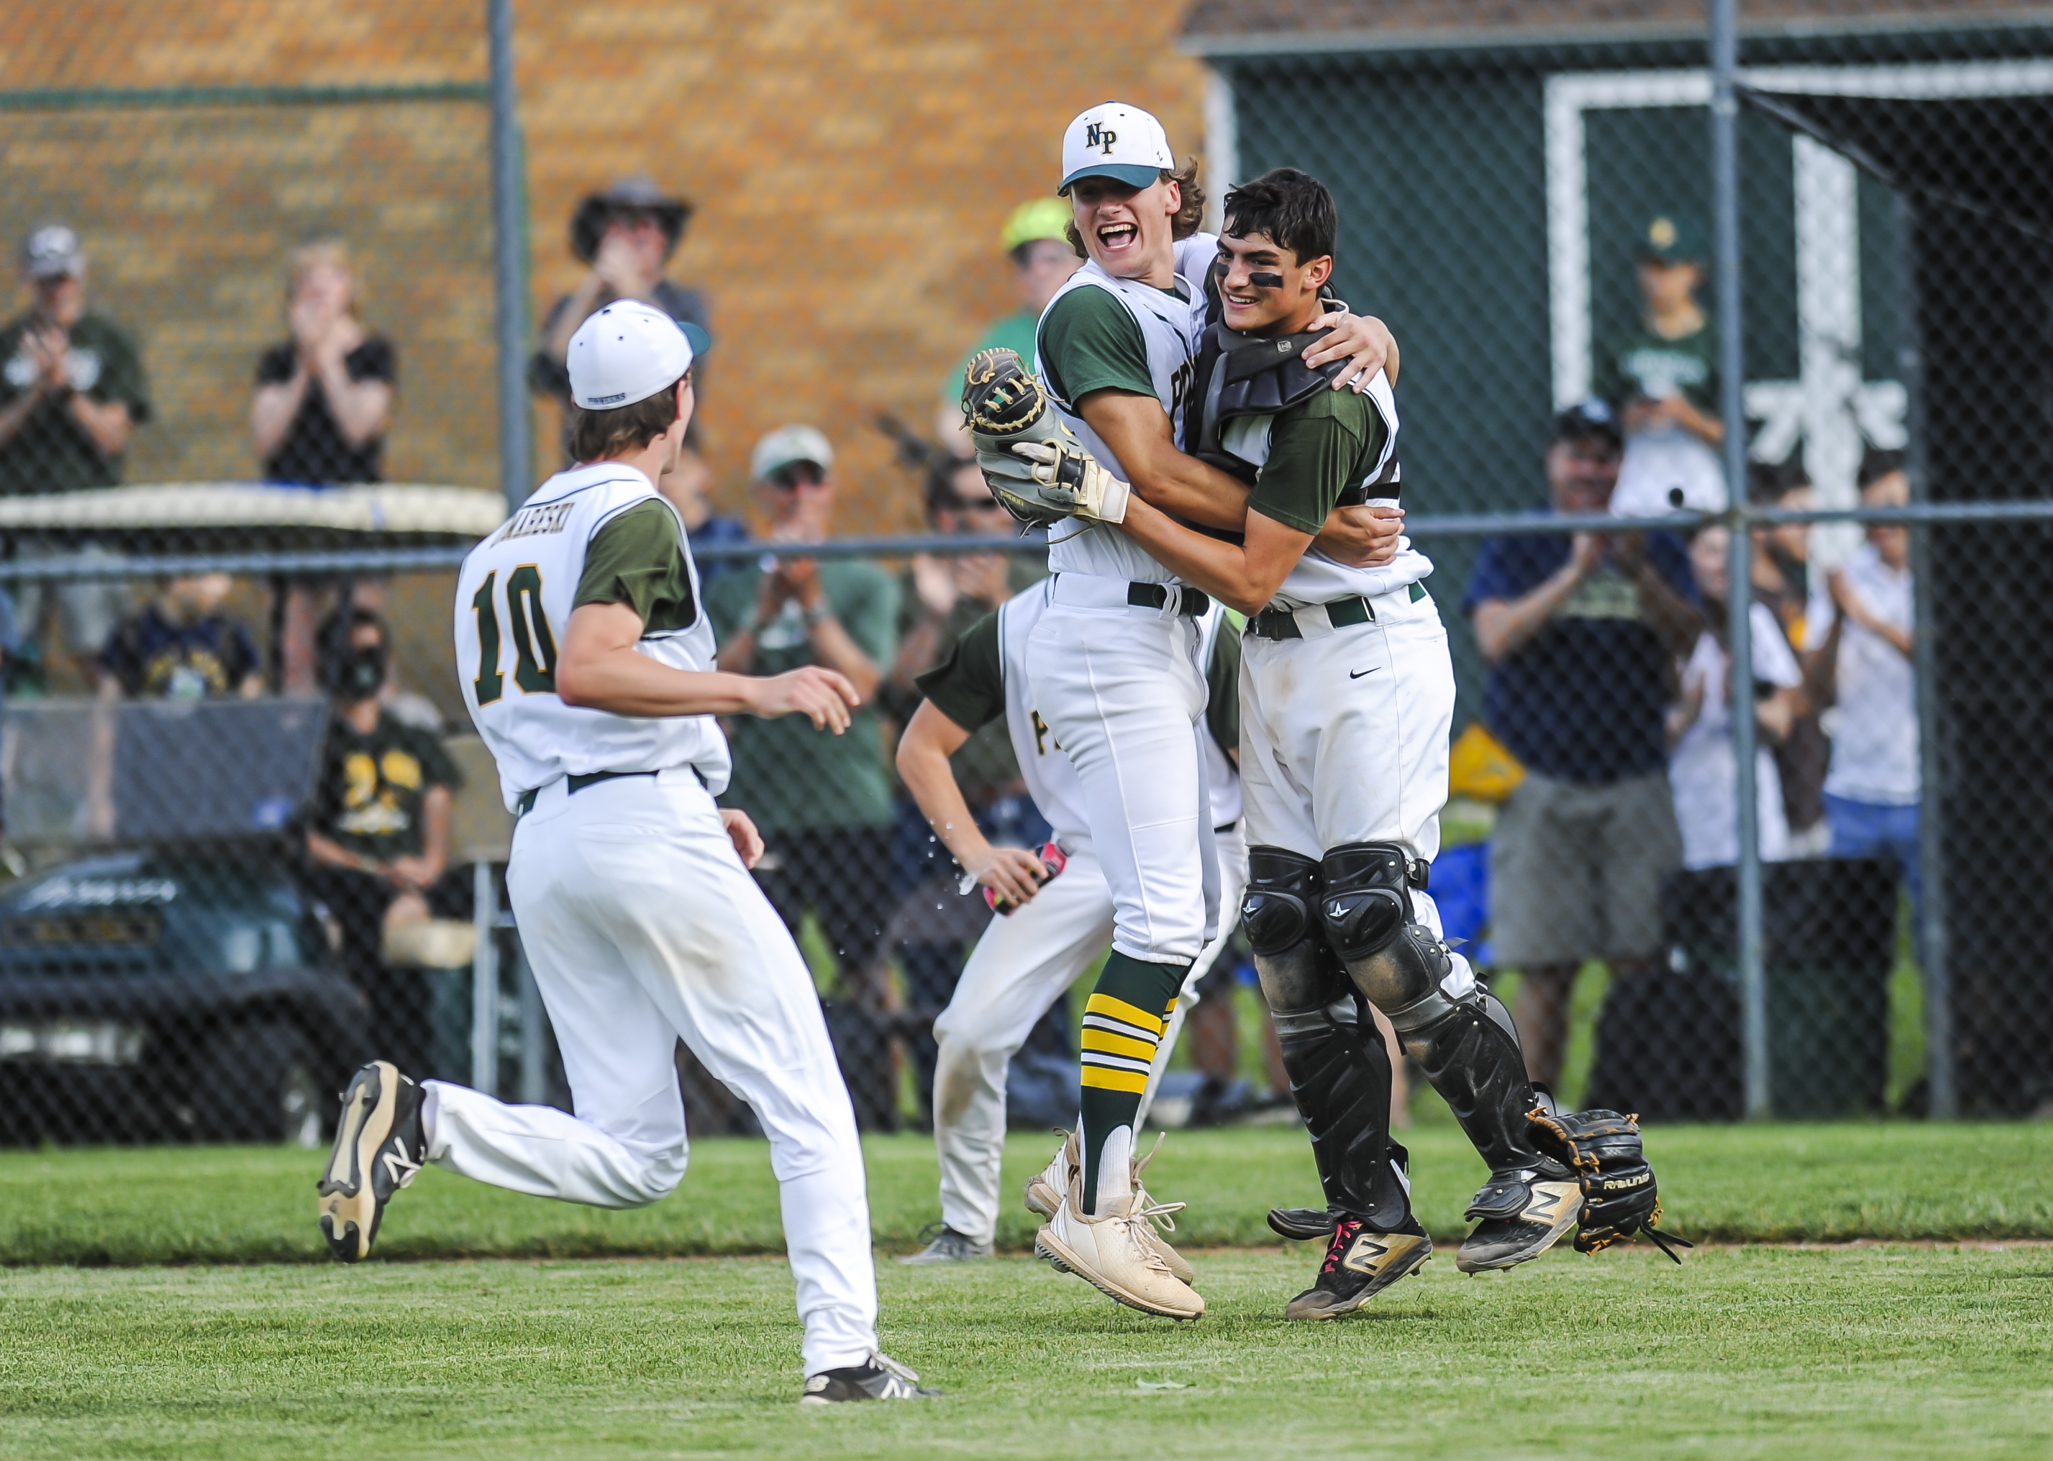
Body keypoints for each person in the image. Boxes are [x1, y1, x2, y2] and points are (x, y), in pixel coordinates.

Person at [321, 301, 931, 1404]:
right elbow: (593, 669)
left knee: (640, 1152)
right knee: (805, 1098)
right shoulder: (636, 512)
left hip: (551, 842)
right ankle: (842, 1358)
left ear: (571, 412)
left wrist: (697, 788)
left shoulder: (497, 546)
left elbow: (563, 705)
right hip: (632, 826)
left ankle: (428, 1119)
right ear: (680, 401)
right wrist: (753, 689)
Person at [1104, 166, 1585, 1320]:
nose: (1232, 279)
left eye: (1263, 269)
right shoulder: (1239, 321)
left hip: (1365, 655)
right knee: (1281, 929)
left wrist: (1112, 503)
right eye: (1227, 259)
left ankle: (1539, 1160)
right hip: (1274, 661)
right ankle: (1366, 1215)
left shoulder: (1329, 381)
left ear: (1318, 278)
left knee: (1368, 917)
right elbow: (1252, 510)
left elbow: (1252, 567)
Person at [981, 102, 1402, 1321]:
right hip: (1107, 625)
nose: (1103, 204)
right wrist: (1320, 515)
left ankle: (1083, 1160)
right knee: (1169, 913)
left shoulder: (1216, 278)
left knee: (1206, 903)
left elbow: (1335, 334)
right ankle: (1098, 1201)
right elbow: (1152, 476)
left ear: (1177, 189)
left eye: (1126, 182)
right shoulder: (1085, 306)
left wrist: (1369, 332)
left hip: (1174, 632)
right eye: (1082, 188)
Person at [895, 581, 1246, 1264]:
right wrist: (978, 854)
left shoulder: (1197, 616)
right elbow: (920, 746)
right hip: (1083, 851)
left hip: (1204, 843)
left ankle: (1092, 1196)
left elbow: (1255, 761)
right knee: (966, 1029)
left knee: (1163, 995)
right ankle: (964, 1228)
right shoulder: (1013, 628)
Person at [1464, 400, 1701, 1093]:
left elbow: (1689, 634)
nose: (1589, 471)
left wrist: (1635, 572)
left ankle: (1635, 1099)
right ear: (1553, 462)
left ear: (1619, 466)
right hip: (1539, 779)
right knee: (1544, 963)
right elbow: (1494, 637)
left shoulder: (1649, 545)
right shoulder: (1519, 543)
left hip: (1634, 776)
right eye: (1577, 456)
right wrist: (1573, 572)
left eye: (1603, 457)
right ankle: (1538, 1118)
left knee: (1642, 954)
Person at [705, 427, 898, 986]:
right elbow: (710, 688)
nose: (800, 494)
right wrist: (762, 615)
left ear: (830, 489)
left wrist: (811, 602)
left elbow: (863, 685)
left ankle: (871, 1076)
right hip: (760, 809)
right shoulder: (730, 590)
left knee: (865, 974)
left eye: (813, 479)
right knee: (757, 973)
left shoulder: (863, 582)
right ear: (762, 495)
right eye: (785, 481)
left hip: (848, 807)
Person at [301, 608, 467, 1072]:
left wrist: (428, 868)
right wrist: (378, 871)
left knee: (479, 891)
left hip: (418, 875)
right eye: (350, 654)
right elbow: (304, 837)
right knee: (370, 910)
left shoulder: (411, 738)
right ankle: (395, 1065)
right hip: (354, 876)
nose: (362, 664)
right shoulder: (315, 744)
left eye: (371, 652)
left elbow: (437, 807)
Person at [0, 224, 152, 688]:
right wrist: (33, 392)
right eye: (47, 280)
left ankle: (102, 765)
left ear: (81, 273)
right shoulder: (7, 345)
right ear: (28, 280)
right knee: (12, 658)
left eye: (65, 277)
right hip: (16, 524)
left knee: (100, 660)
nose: (58, 290)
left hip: (87, 522)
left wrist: (64, 388)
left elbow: (112, 436)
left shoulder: (109, 341)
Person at [1806, 449, 1919, 905]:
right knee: (1853, 948)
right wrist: (1837, 619)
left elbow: (1945, 664)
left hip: (1921, 788)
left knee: (1944, 941)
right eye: (1870, 511)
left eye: (1892, 508)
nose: (1882, 524)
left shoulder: (1940, 574)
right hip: (1853, 789)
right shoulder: (1845, 579)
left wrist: (1868, 620)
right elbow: (1816, 693)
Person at [530, 178, 711, 461]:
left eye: (650, 224)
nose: (641, 234)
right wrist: (593, 286)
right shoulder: (576, 307)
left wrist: (632, 290)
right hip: (590, 457)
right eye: (627, 224)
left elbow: (686, 356)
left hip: (662, 458)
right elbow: (545, 375)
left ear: (664, 238)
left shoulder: (682, 303)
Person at [1666, 525, 1805, 869]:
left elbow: (1781, 722)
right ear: (1688, 557)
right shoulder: (1667, 625)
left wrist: (1742, 704)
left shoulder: (1755, 621)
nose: (1723, 564)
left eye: (1733, 553)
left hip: (1755, 824)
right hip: (1686, 819)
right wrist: (1687, 716)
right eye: (1712, 552)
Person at [1597, 214, 1725, 517]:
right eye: (1650, 267)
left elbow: (1733, 432)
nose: (1658, 281)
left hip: (1698, 483)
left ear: (1695, 272)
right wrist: (1632, 415)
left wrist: (1684, 414)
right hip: (1638, 486)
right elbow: (1603, 423)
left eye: (1668, 268)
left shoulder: (1715, 342)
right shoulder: (1623, 340)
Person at [935, 198, 1084, 452]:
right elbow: (951, 420)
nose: (1037, 272)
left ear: (1082, 259)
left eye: (1051, 258)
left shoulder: (1101, 321)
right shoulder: (1009, 333)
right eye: (1025, 261)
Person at [250, 240, 396, 485]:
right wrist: (303, 366)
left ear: (349, 288)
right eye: (308, 278)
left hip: (352, 491)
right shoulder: (279, 360)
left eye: (332, 276)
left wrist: (326, 355)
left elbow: (359, 428)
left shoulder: (373, 352)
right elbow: (265, 439)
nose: (319, 287)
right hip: (287, 491)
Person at [1749, 460, 1831, 855]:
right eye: (1797, 517)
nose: (1809, 529)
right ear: (1761, 524)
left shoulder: (1796, 595)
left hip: (1810, 798)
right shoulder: (1741, 605)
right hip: (1767, 808)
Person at [97, 572, 262, 701]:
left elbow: (250, 691)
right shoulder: (134, 632)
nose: (223, 587)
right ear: (177, 581)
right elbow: (108, 704)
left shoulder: (229, 630)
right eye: (210, 575)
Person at [656, 439, 749, 581]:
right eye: (662, 475)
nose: (669, 484)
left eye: (680, 473)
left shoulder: (729, 534)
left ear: (703, 474)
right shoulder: (655, 537)